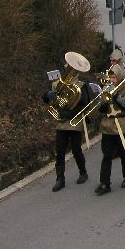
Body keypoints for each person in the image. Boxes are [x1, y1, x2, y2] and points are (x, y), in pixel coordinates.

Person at [42, 52, 96, 192]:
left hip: (74, 122)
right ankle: (60, 179)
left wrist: (68, 113)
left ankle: (83, 172)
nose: (69, 72)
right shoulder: (57, 84)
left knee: (76, 149)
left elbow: (84, 104)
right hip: (61, 122)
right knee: (59, 152)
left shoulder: (81, 85)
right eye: (68, 69)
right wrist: (48, 96)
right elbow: (47, 100)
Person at [94, 65, 125, 195]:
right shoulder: (106, 88)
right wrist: (104, 104)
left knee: (124, 153)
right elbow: (100, 108)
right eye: (110, 77)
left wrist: (116, 95)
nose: (111, 80)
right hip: (107, 124)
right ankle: (105, 183)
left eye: (114, 77)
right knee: (106, 155)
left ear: (120, 77)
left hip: (121, 124)